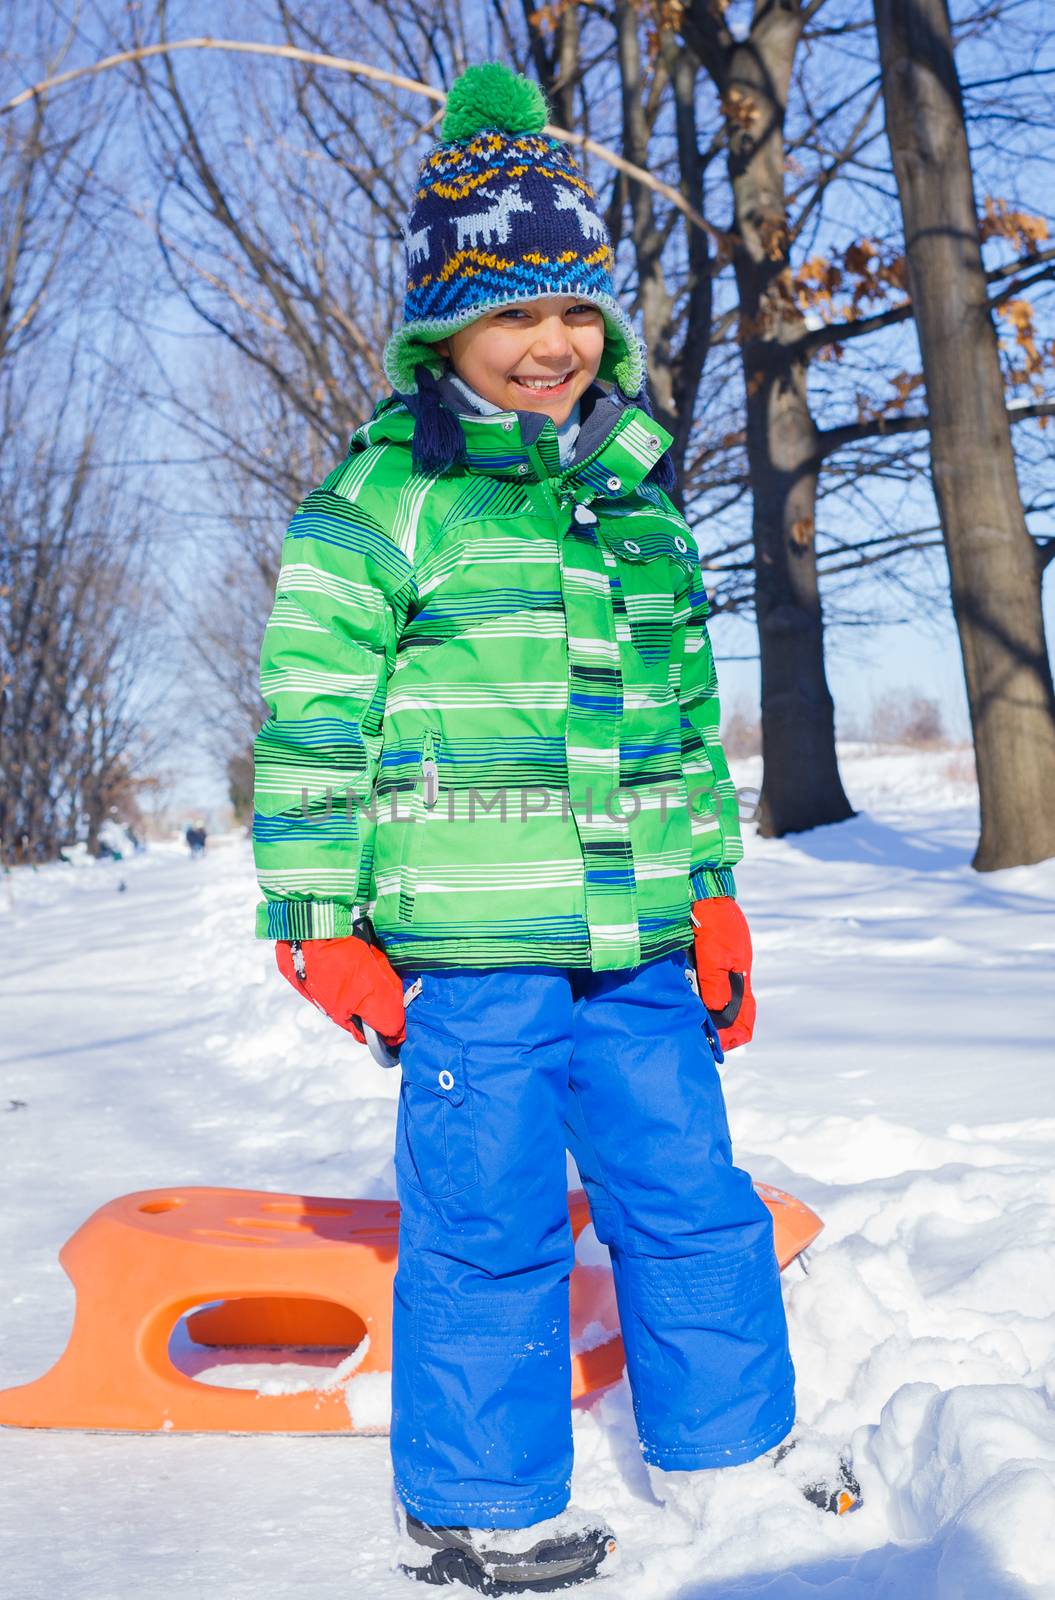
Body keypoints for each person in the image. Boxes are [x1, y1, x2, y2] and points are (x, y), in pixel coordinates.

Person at [253, 63, 853, 1594]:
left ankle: (731, 1455)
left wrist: (709, 894)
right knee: (488, 1219)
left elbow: (677, 730)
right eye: (515, 313)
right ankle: (478, 1501)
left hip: (639, 943)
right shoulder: (384, 504)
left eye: (577, 311)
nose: (553, 343)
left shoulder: (638, 504)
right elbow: (313, 722)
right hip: (468, 953)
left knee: (691, 1198)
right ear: (443, 326)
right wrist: (317, 918)